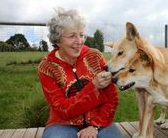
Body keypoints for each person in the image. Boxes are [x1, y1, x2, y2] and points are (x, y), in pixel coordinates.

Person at [38, 7, 123, 138]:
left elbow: (112, 98)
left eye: (81, 35)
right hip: (63, 123)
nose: (79, 41)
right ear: (58, 40)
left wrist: (95, 126)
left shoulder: (94, 56)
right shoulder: (47, 67)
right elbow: (62, 109)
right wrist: (93, 86)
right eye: (72, 36)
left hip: (100, 120)